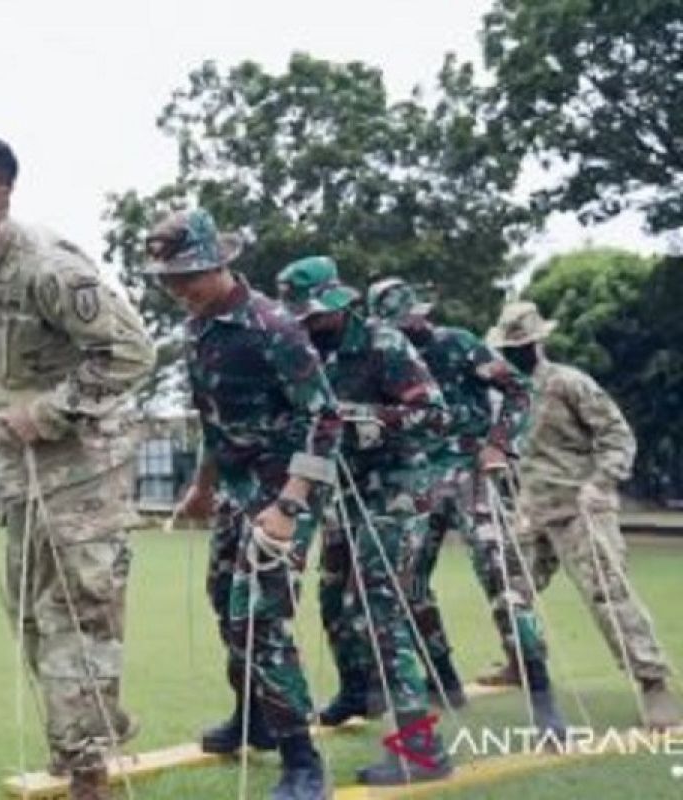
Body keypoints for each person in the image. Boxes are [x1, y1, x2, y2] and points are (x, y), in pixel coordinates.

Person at [0, 130, 155, 800]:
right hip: (25, 476)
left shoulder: (46, 264)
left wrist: (46, 414)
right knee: (33, 622)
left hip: (85, 471)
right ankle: (91, 731)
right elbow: (2, 353)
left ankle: (90, 777)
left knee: (77, 622)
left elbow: (132, 353)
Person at [151, 209, 342, 800]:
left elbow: (325, 416)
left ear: (222, 262)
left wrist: (289, 504)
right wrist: (203, 486)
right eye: (170, 279)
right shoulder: (198, 330)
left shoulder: (273, 328)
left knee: (259, 616)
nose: (181, 290)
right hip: (236, 490)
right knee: (223, 604)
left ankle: (303, 761)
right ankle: (253, 718)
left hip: (288, 487)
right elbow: (215, 419)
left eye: (191, 276)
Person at [276, 257, 453, 785]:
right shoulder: (305, 350)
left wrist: (369, 418)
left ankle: (421, 751)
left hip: (398, 489)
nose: (306, 323)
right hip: (345, 493)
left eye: (313, 314)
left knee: (381, 607)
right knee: (338, 602)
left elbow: (434, 415)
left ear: (339, 303)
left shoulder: (384, 344)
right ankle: (361, 693)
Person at [367, 278, 564, 734]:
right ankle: (444, 679)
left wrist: (499, 445)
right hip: (412, 481)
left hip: (469, 472)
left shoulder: (457, 344)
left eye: (407, 322)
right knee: (406, 584)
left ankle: (542, 698)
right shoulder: (385, 359)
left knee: (502, 580)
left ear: (421, 315)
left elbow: (517, 389)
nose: (402, 331)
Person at [487, 301, 682, 730]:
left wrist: (601, 483)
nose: (514, 353)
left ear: (538, 343)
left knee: (609, 596)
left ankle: (654, 686)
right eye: (509, 347)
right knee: (509, 590)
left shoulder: (569, 383)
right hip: (531, 510)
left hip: (581, 508)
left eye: (521, 345)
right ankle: (522, 661)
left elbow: (617, 437)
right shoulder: (505, 395)